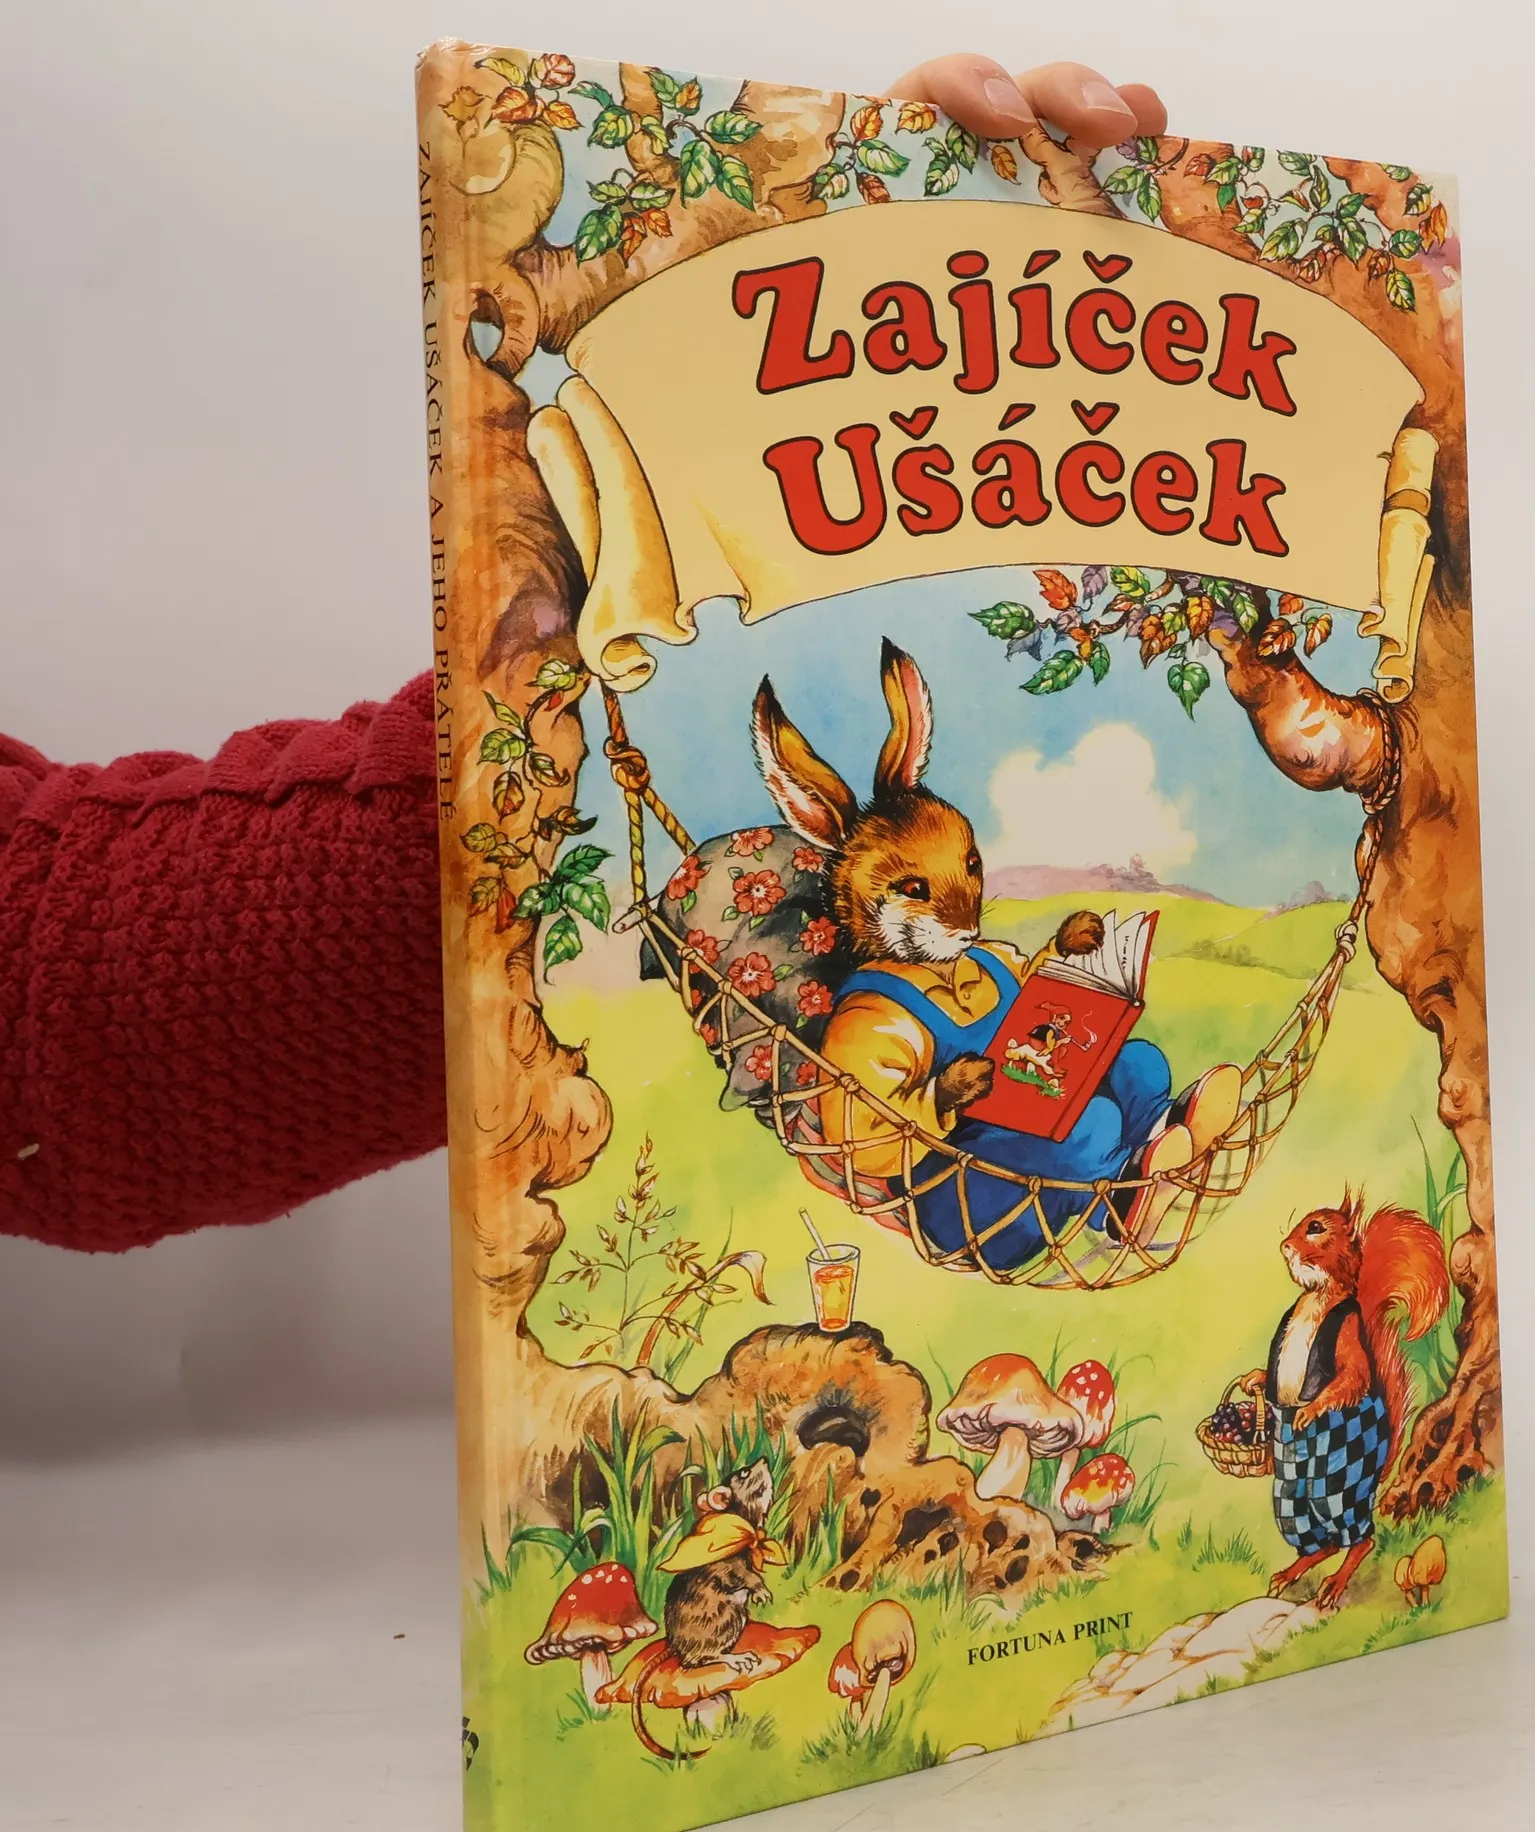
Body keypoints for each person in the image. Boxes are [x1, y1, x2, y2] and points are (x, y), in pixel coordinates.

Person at [0, 55, 1172, 1257]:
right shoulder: (874, 1007)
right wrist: (515, 780)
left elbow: (44, 995)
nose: (964, 902)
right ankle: (1107, 1168)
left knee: (1134, 1073)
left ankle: (1140, 1149)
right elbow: (54, 1035)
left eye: (958, 872)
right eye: (935, 885)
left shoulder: (969, 960)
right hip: (966, 1169)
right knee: (1079, 1136)